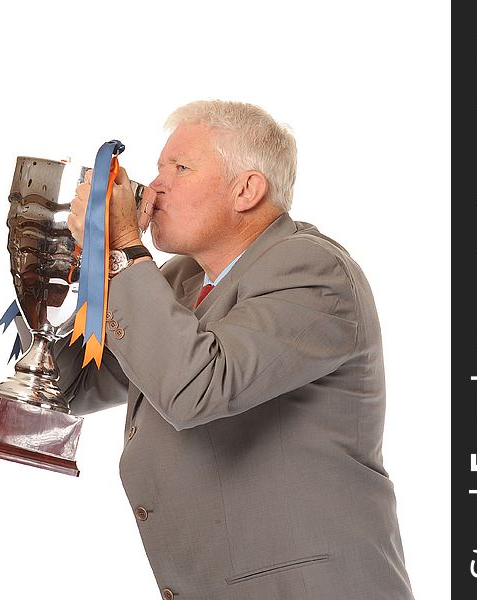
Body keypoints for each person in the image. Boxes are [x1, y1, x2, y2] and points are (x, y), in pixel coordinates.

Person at [58, 100, 415, 600]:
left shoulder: (314, 272)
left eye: (179, 168)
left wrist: (121, 250)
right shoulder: (181, 279)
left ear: (246, 190)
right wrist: (72, 269)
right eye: (159, 167)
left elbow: (195, 388)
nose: (154, 185)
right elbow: (70, 386)